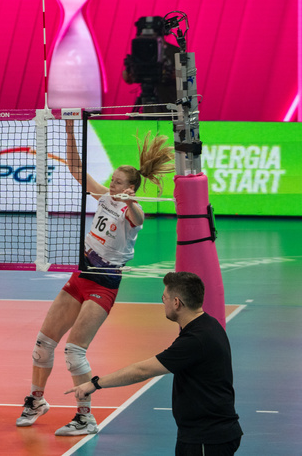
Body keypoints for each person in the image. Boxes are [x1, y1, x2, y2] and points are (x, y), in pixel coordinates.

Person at [15, 118, 174, 435]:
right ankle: (36, 400)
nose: (111, 185)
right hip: (82, 272)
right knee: (43, 344)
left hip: (104, 282)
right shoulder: (103, 196)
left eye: (117, 183)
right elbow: (76, 170)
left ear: (129, 188)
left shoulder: (132, 211)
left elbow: (138, 217)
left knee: (74, 352)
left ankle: (85, 418)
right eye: (112, 180)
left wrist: (130, 202)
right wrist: (70, 132)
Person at [66, 272, 243, 455]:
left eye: (164, 298)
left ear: (176, 302)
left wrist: (94, 383)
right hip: (209, 433)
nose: (163, 303)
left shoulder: (195, 339)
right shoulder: (209, 324)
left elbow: (141, 371)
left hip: (206, 438)